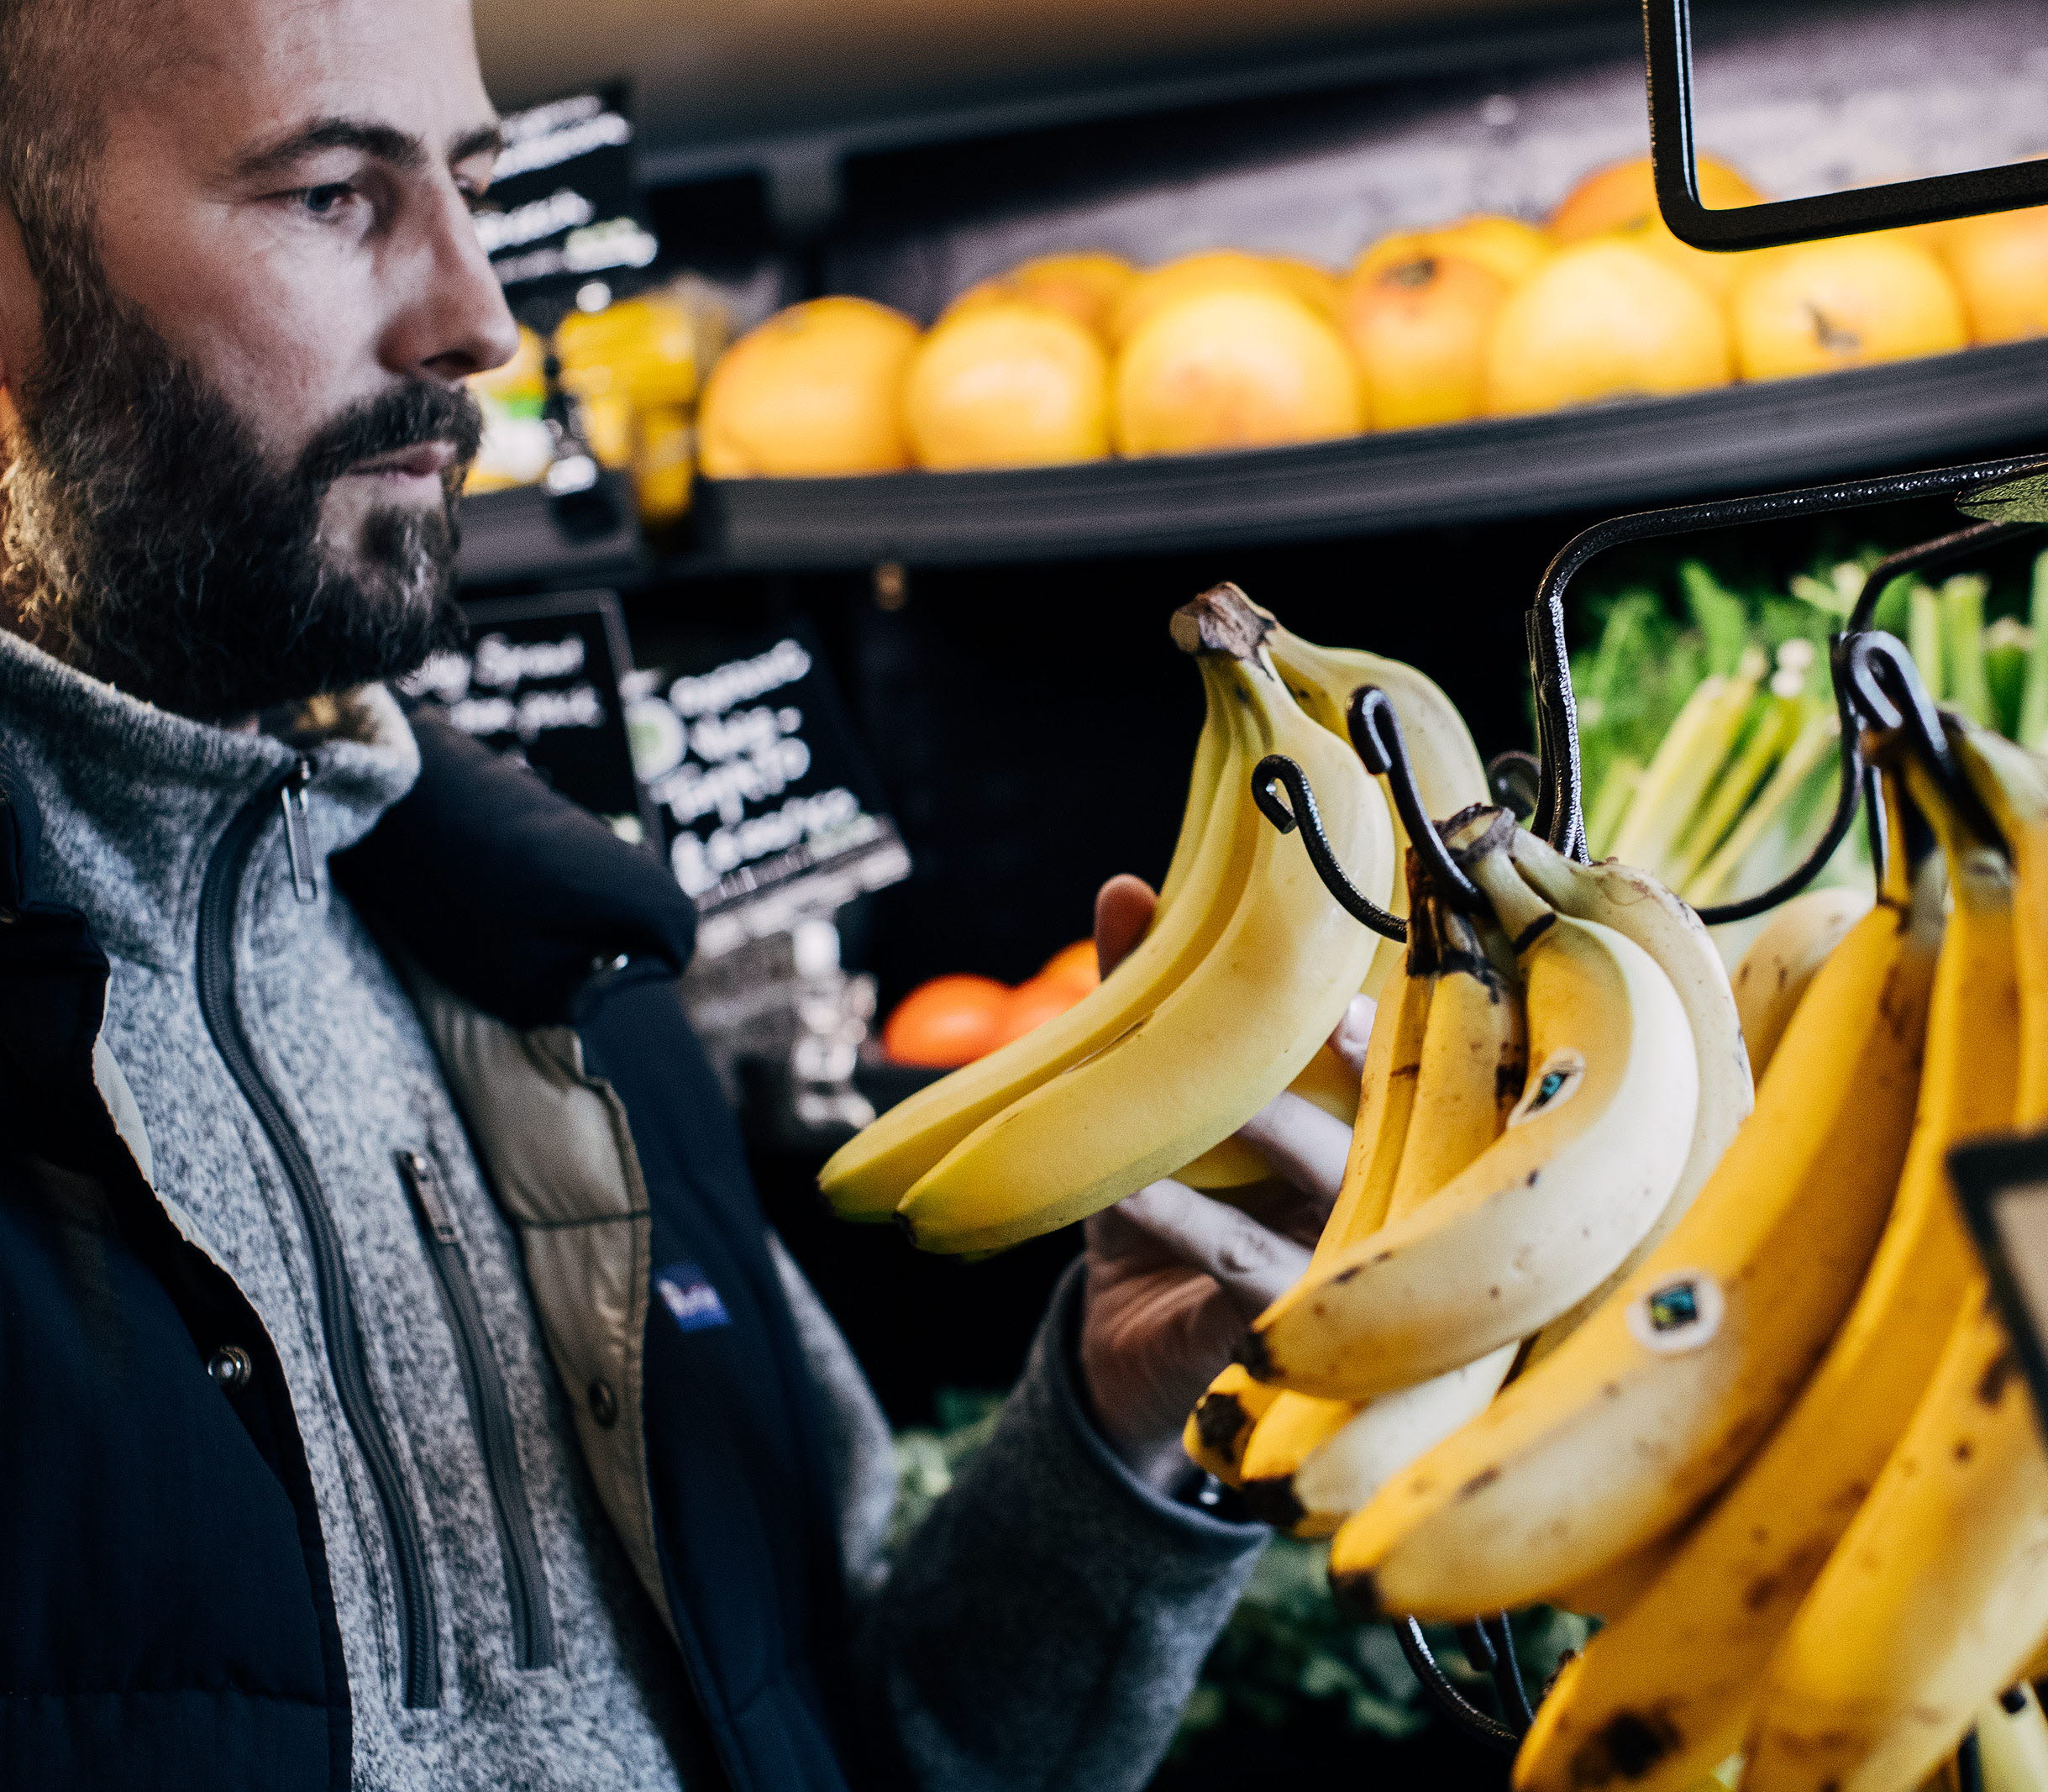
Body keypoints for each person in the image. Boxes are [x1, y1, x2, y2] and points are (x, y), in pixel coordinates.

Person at [0, 0, 1359, 1786]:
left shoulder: (565, 979)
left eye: (474, 189)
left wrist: (1109, 1430)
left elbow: (880, 1741)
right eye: (334, 196)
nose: (478, 320)